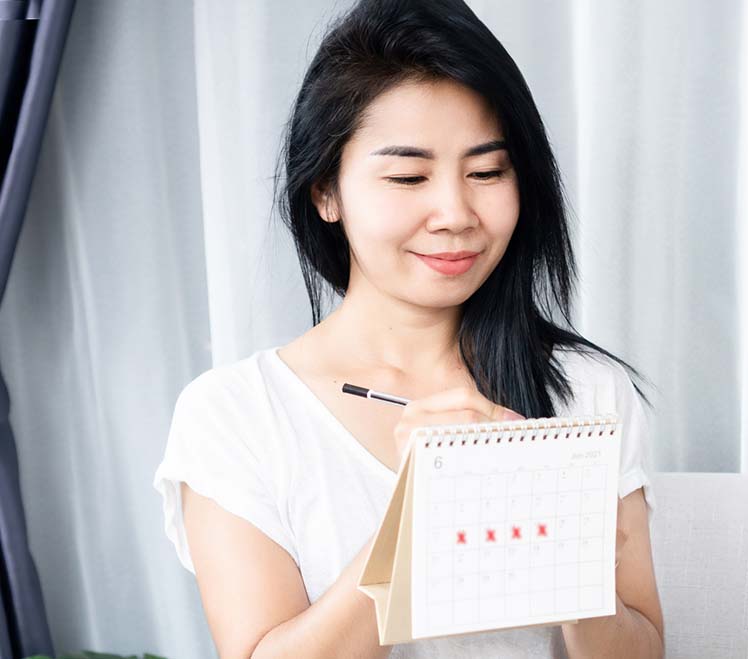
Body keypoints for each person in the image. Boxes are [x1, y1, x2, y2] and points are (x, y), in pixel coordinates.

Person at [152, 0, 663, 657]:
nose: (454, 211)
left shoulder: (588, 391)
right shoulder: (235, 414)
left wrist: (566, 557)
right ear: (325, 192)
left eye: (486, 171)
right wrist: (423, 514)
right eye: (408, 176)